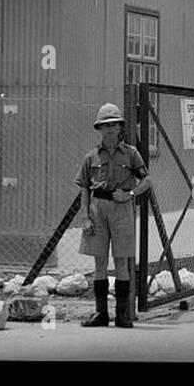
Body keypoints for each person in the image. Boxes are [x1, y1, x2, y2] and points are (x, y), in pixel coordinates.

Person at [75, 103, 151, 328]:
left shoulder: (131, 154)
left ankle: (122, 314)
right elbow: (84, 188)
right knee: (100, 260)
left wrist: (129, 194)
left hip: (121, 209)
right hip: (98, 208)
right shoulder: (91, 157)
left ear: (120, 128)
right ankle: (100, 314)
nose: (109, 129)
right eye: (105, 126)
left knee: (121, 261)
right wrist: (85, 217)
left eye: (113, 125)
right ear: (99, 129)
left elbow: (146, 181)